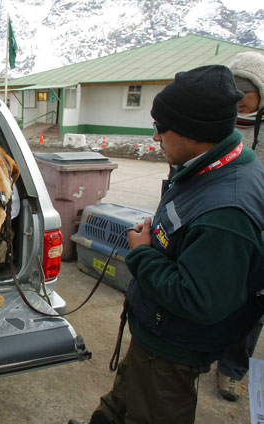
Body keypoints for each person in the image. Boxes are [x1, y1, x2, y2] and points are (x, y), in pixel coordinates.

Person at [69, 65, 264, 424]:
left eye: (160, 127)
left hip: (173, 350)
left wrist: (142, 254)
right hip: (154, 333)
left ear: (192, 132)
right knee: (120, 401)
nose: (155, 137)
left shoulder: (227, 213)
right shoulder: (206, 166)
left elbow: (199, 299)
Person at [215, 51, 264, 401]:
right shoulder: (218, 124)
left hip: (258, 229)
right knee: (214, 292)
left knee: (250, 302)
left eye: (246, 95)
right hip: (221, 222)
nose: (239, 102)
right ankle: (203, 351)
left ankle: (232, 369)